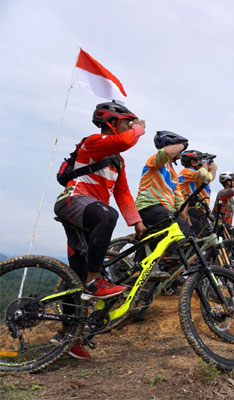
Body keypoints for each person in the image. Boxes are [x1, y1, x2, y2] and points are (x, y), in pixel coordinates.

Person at [53, 100, 146, 359]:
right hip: (74, 199)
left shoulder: (118, 161)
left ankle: (68, 336)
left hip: (89, 213)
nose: (130, 126)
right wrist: (138, 129)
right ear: (113, 123)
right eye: (127, 122)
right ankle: (95, 281)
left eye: (131, 123)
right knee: (107, 216)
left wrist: (136, 221)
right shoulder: (93, 141)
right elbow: (127, 140)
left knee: (76, 276)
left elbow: (123, 193)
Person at [135, 130, 190, 236]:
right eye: (178, 146)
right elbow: (166, 153)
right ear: (168, 145)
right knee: (180, 226)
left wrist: (188, 226)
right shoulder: (155, 160)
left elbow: (179, 202)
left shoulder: (173, 173)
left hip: (163, 211)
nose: (181, 151)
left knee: (184, 229)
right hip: (149, 207)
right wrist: (183, 144)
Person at [177, 150, 217, 234]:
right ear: (193, 162)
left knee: (194, 228)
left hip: (183, 207)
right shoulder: (187, 172)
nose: (202, 163)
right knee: (197, 228)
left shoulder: (193, 174)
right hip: (178, 207)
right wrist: (211, 168)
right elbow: (207, 176)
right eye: (200, 161)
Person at [213, 172, 234, 237]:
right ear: (228, 182)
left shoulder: (230, 197)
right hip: (217, 224)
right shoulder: (222, 193)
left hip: (226, 225)